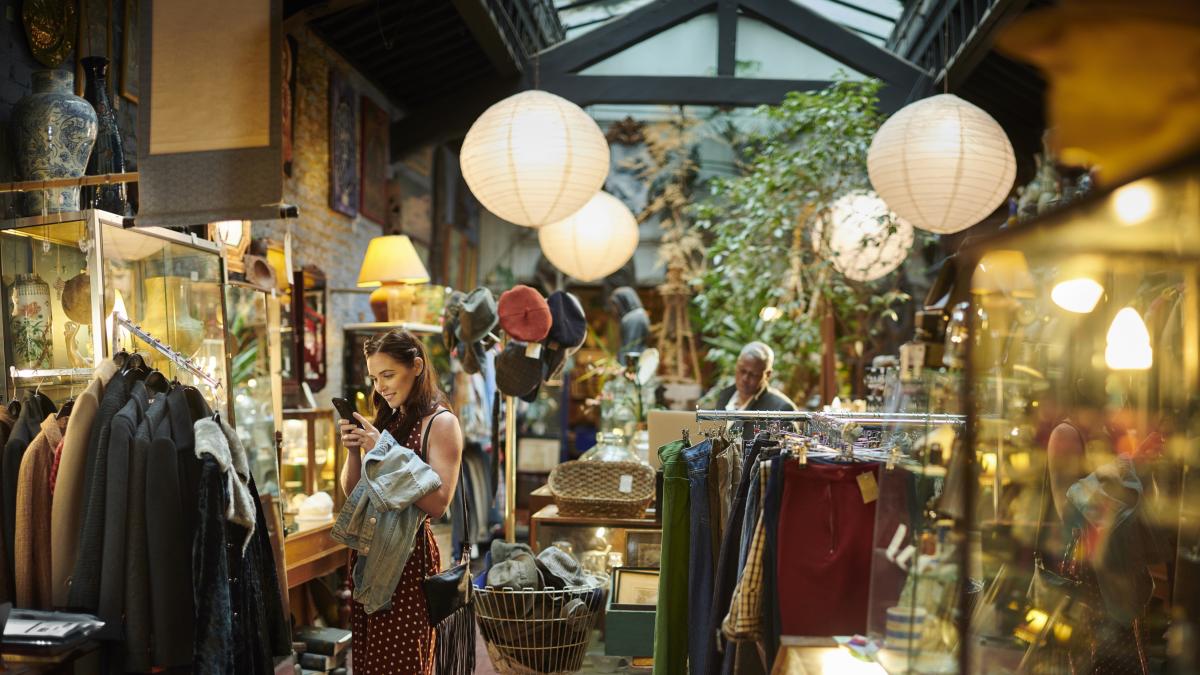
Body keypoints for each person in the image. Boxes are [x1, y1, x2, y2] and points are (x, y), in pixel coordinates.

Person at [338, 330, 464, 675]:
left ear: (417, 366)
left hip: (408, 563)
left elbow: (439, 503)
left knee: (405, 662)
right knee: (371, 663)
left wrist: (386, 452)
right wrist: (353, 451)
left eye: (389, 375)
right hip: (369, 555)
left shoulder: (441, 423)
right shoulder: (388, 419)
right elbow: (355, 493)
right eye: (375, 378)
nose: (381, 387)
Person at [714, 342, 798, 439]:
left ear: (768, 375)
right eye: (742, 370)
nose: (745, 378)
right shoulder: (725, 396)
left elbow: (785, 452)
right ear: (736, 365)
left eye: (753, 374)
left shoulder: (781, 409)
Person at [609, 286, 650, 364]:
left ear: (624, 301)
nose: (614, 309)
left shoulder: (633, 318)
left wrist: (624, 367)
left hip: (632, 366)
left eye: (616, 305)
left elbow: (630, 348)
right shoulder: (639, 314)